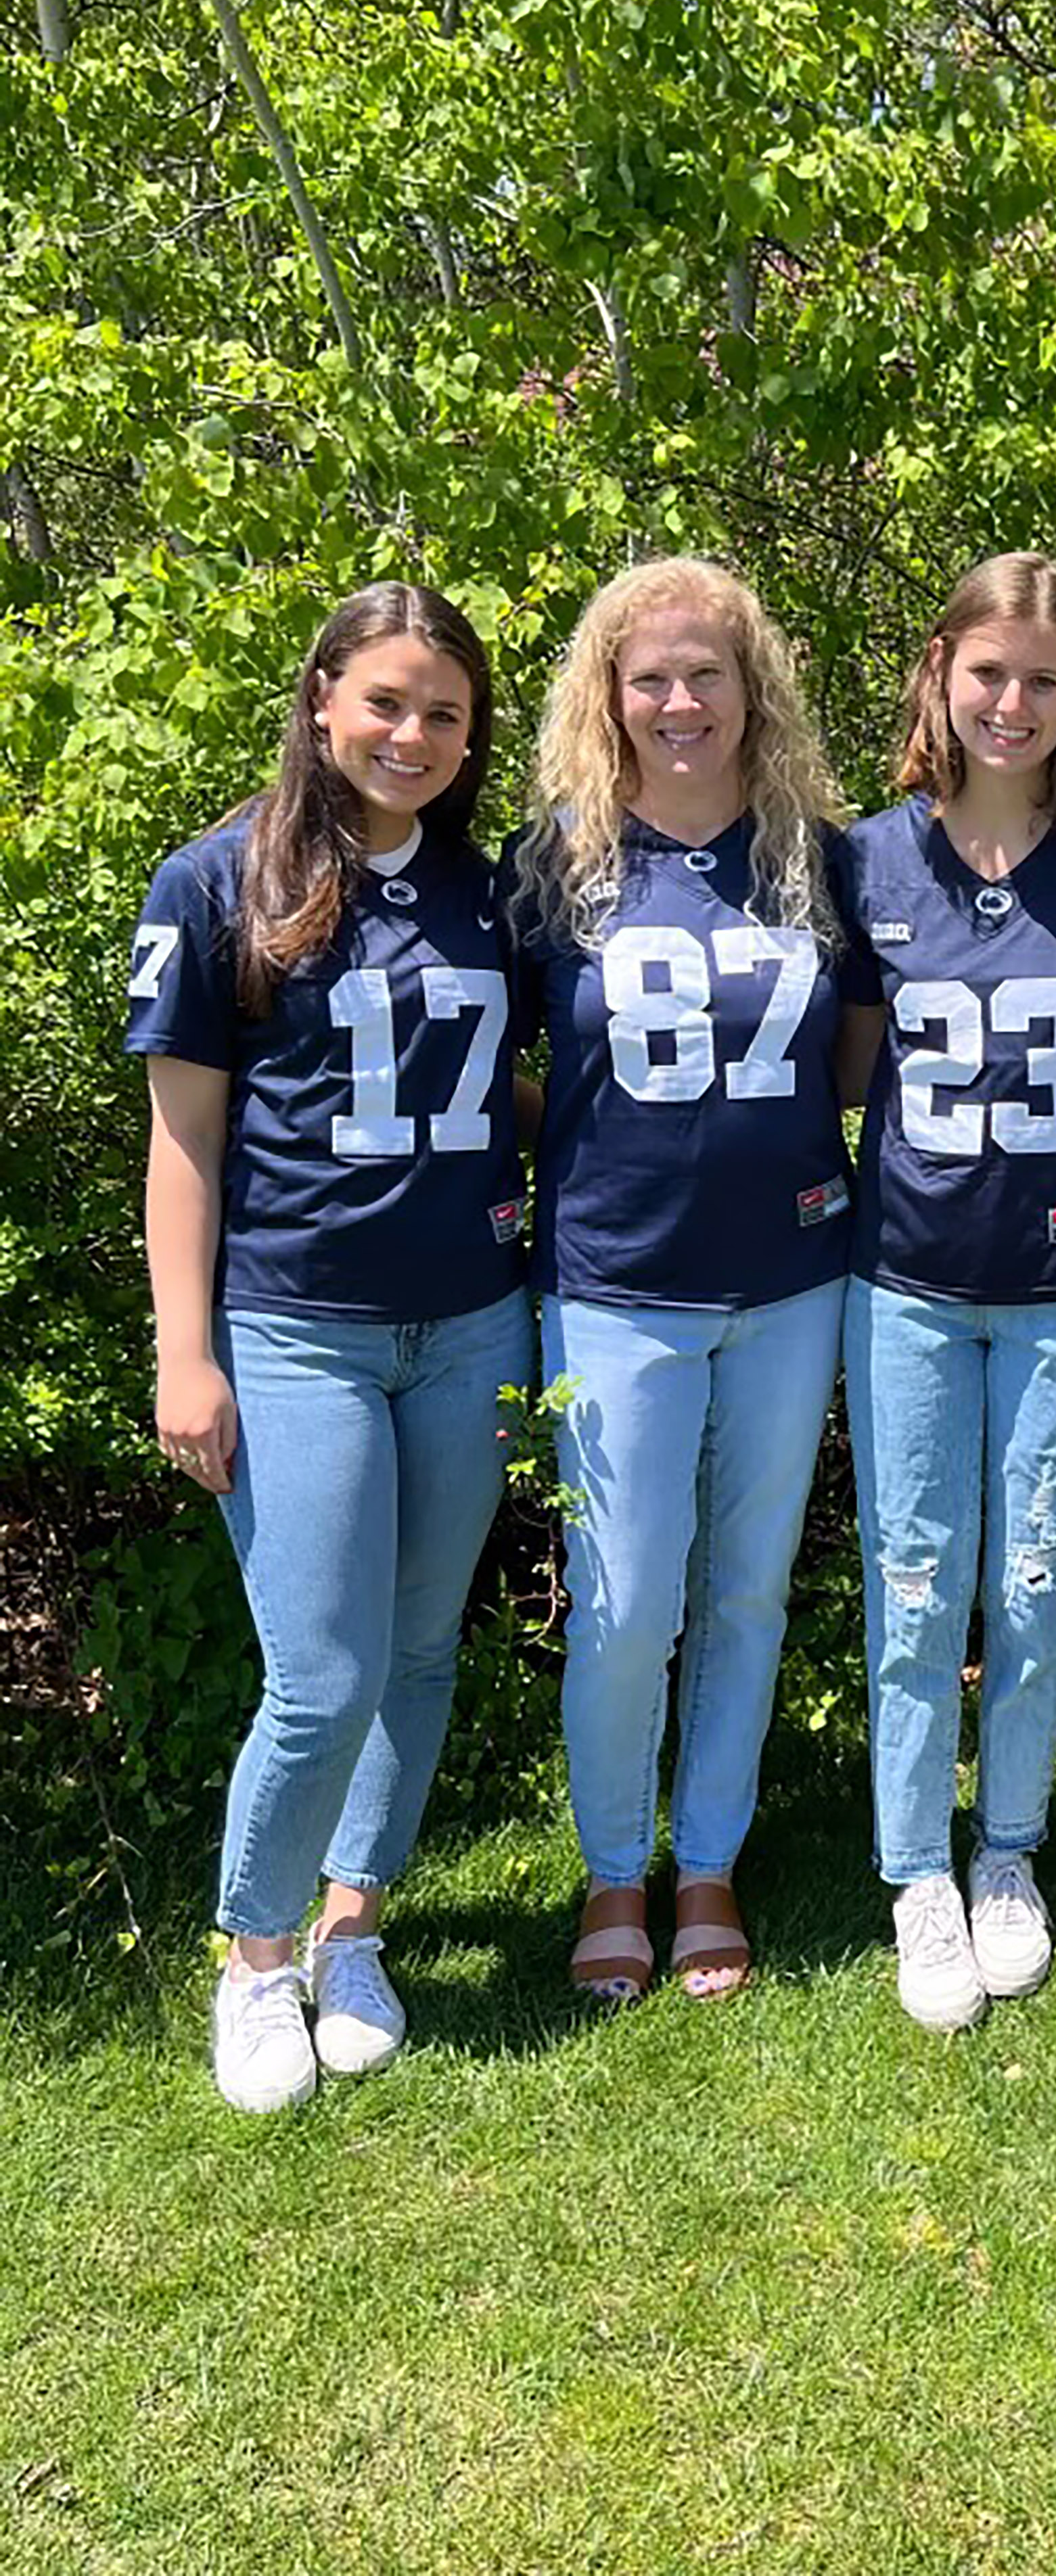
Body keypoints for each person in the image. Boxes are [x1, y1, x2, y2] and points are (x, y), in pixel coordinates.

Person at [127, 582, 532, 2113]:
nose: (412, 733)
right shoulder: (220, 876)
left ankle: (352, 1922)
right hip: (296, 1329)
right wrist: (187, 1349)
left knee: (418, 1651)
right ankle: (252, 1956)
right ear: (319, 701)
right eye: (385, 702)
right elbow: (182, 1143)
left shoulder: (489, 892)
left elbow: (513, 1093)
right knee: (323, 1671)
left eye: (442, 710)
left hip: (470, 1318)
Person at [836, 553, 1056, 2032]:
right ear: (939, 673)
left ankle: (1009, 1852)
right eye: (989, 673)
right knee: (916, 1587)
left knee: (1034, 1586)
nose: (1013, 702)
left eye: (1044, 678)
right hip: (907, 1280)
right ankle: (917, 1869)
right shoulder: (865, 862)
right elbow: (835, 1080)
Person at [508, 561, 854, 2005]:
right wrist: (601, 1151)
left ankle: (706, 1859)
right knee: (626, 1595)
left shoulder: (818, 859)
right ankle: (610, 1868)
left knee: (750, 1591)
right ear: (609, 695)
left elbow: (855, 1058)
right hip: (614, 1283)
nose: (680, 701)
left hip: (788, 1280)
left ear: (750, 684)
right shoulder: (553, 864)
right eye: (649, 677)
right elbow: (493, 1064)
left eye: (706, 672)